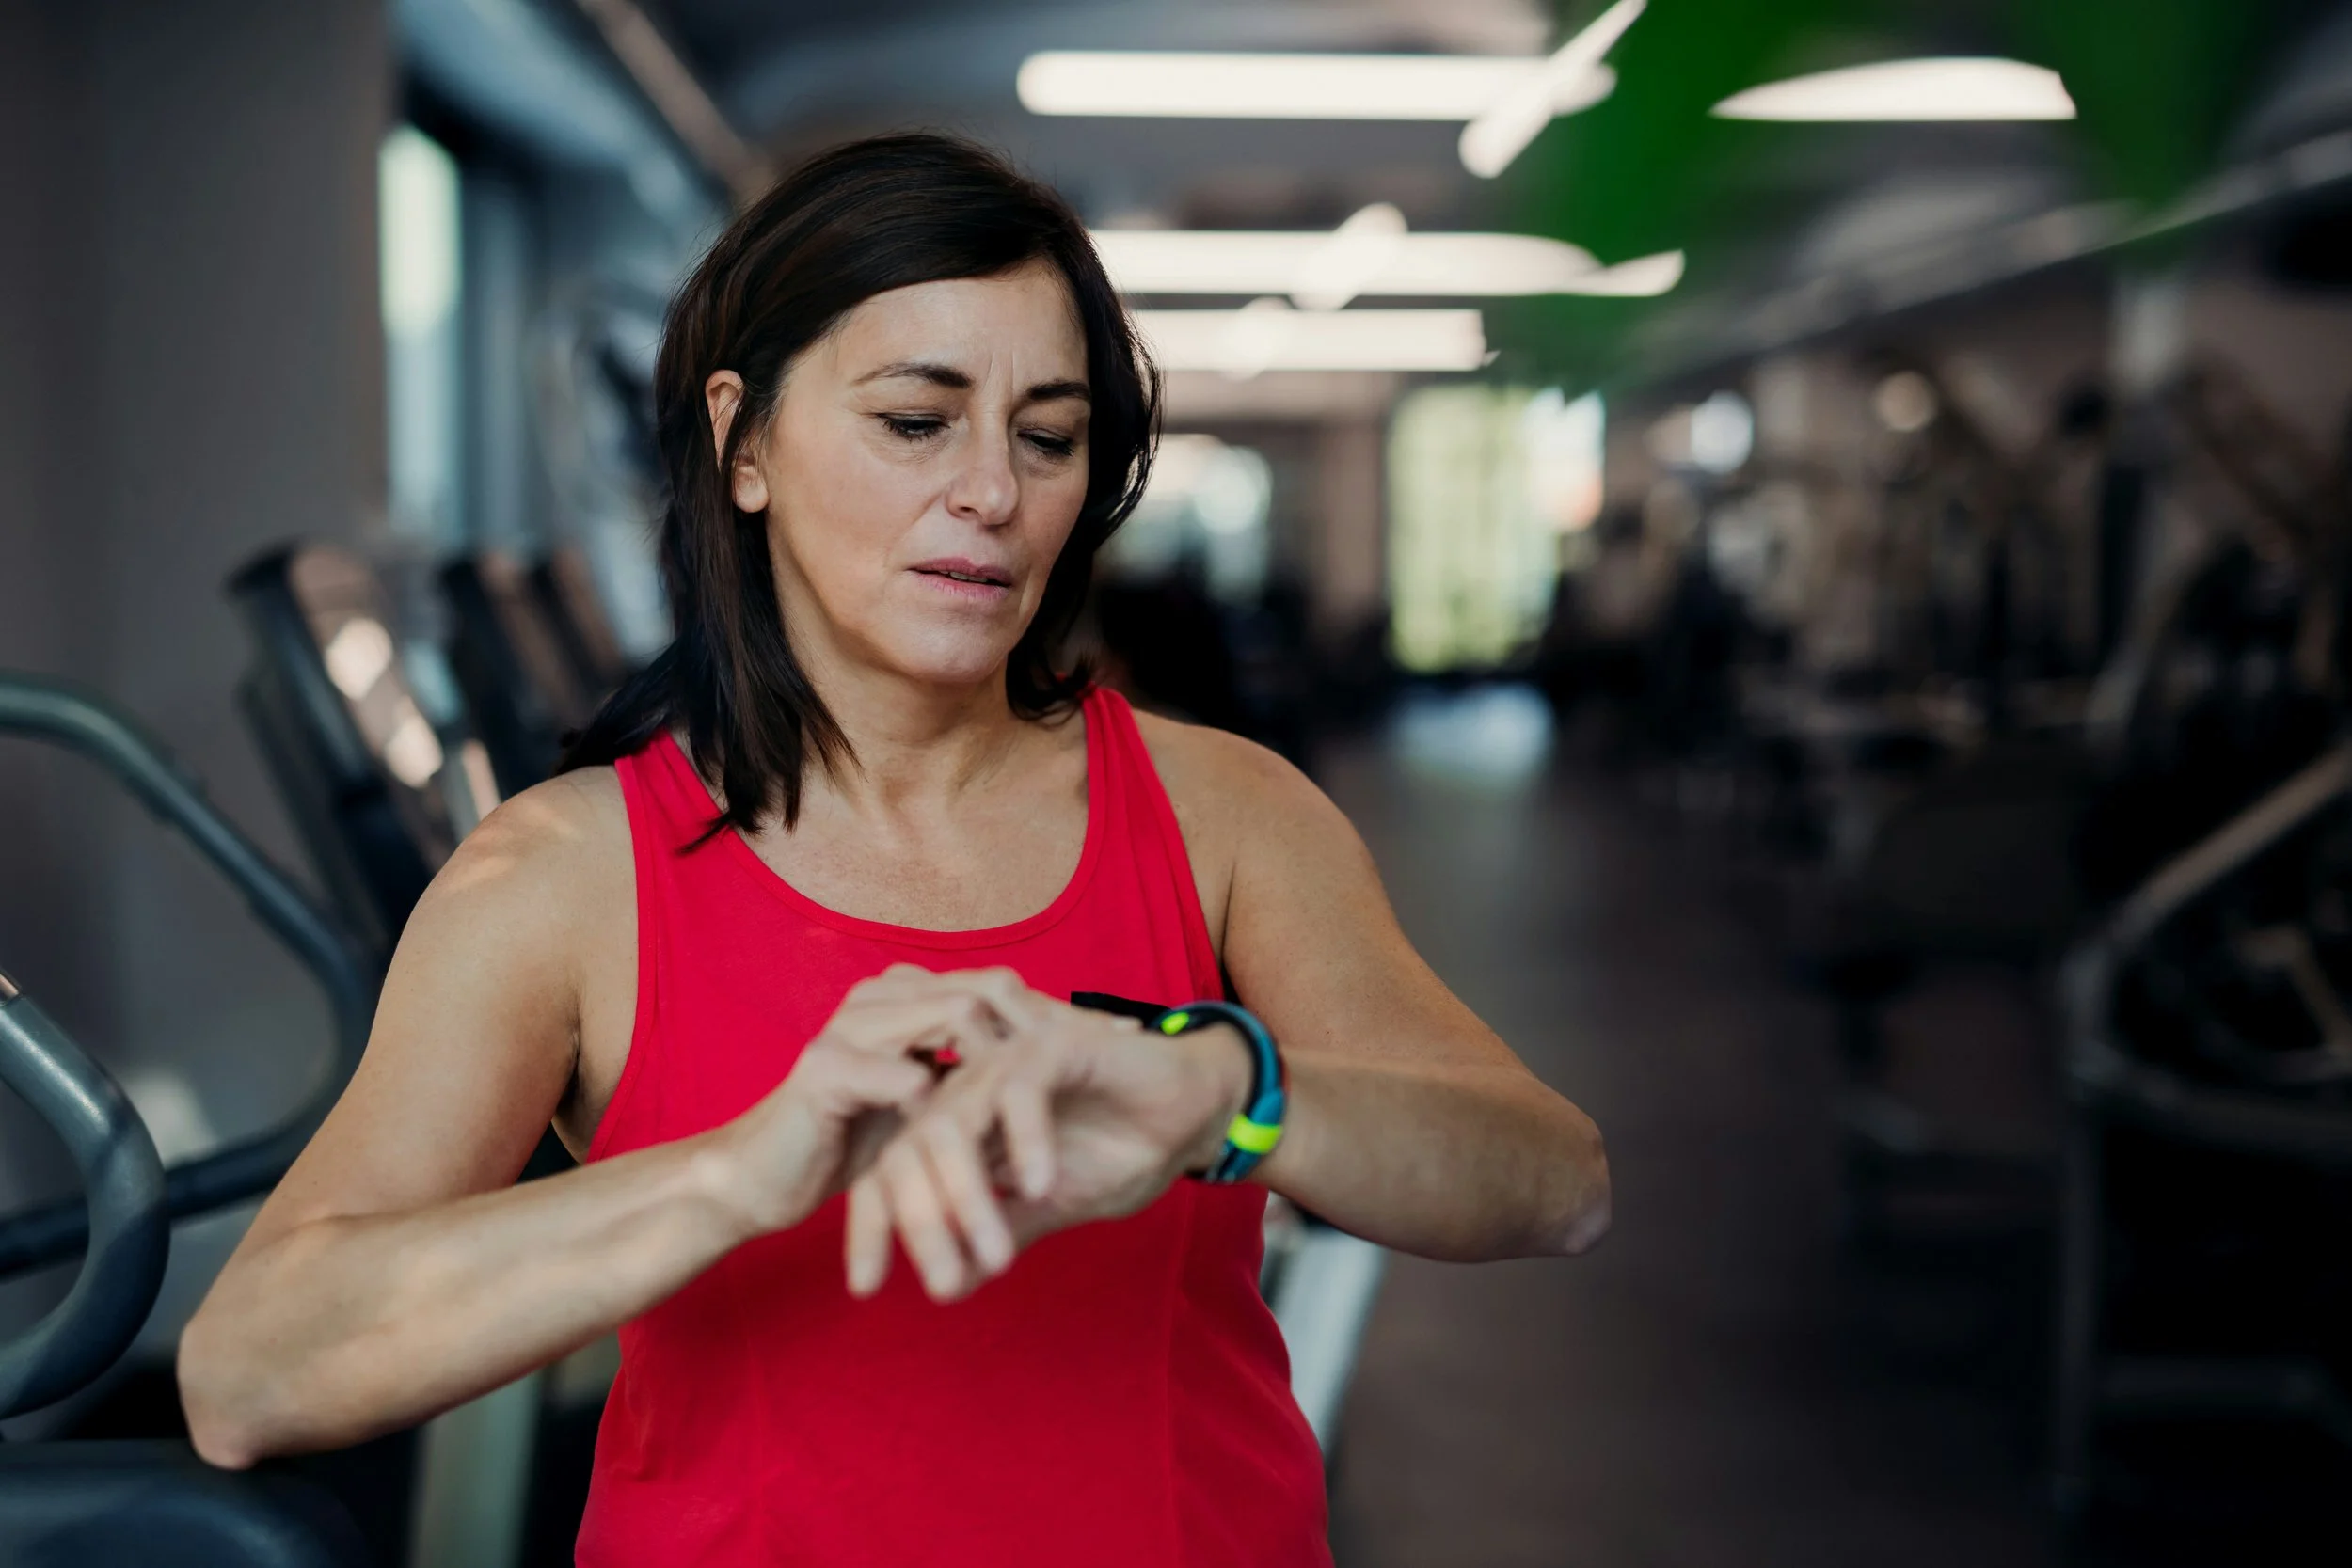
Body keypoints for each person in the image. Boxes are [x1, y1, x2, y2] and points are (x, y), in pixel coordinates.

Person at [177, 133, 1610, 1566]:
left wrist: (1224, 1087)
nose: (991, 490)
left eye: (1045, 437)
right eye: (917, 421)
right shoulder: (559, 878)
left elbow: (1555, 1179)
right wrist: (741, 1172)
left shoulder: (1224, 814)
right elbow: (249, 1373)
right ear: (744, 444)